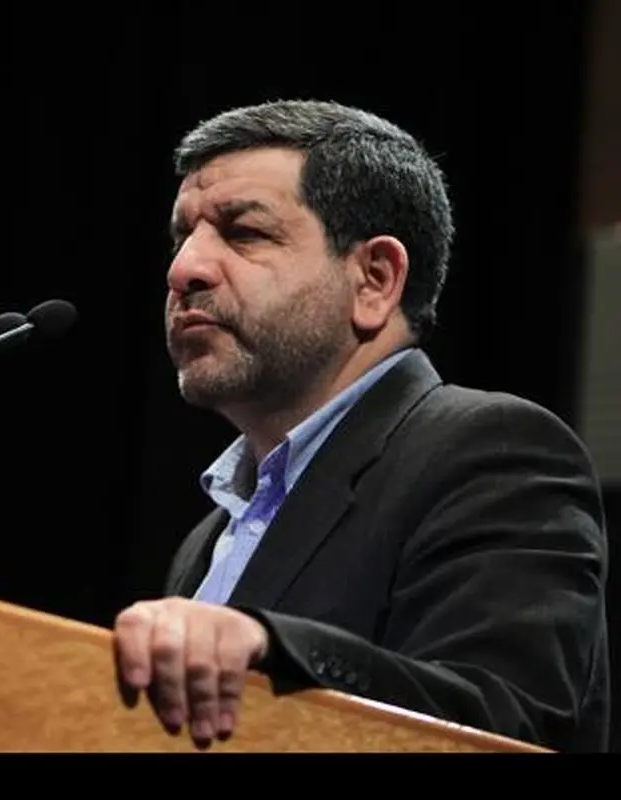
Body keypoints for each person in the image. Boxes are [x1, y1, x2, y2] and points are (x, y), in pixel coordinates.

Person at [112, 99, 610, 753]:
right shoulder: (207, 538)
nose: (183, 269)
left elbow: (504, 722)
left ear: (375, 280)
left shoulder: (493, 453)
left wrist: (270, 646)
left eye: (243, 232)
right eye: (183, 236)